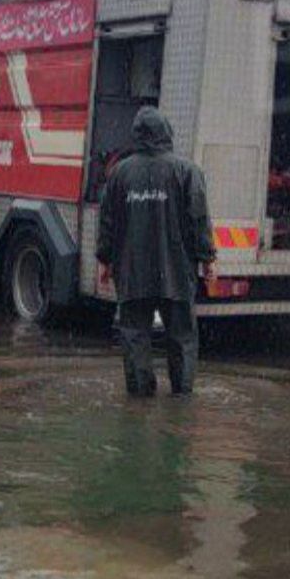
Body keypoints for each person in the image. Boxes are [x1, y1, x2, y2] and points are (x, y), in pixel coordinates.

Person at [97, 106, 216, 396]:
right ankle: (182, 398)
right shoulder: (187, 171)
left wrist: (105, 259)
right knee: (182, 338)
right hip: (176, 272)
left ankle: (139, 401)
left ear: (137, 135)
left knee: (135, 335)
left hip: (132, 273)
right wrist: (208, 258)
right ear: (167, 133)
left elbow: (108, 221)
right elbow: (198, 218)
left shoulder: (119, 174)